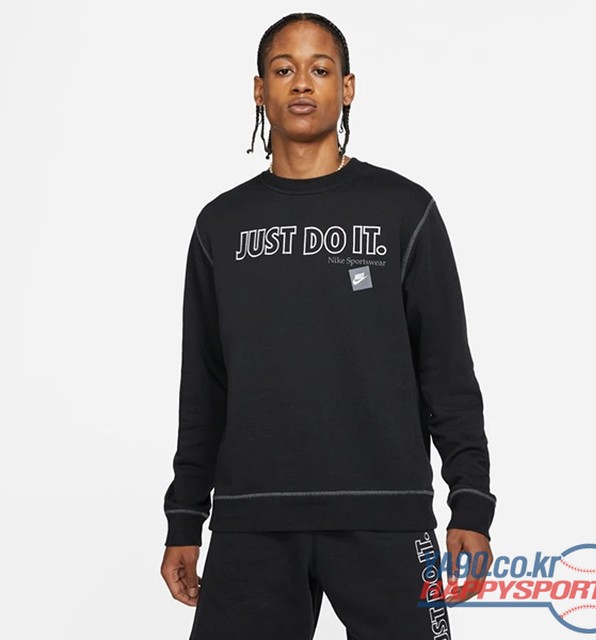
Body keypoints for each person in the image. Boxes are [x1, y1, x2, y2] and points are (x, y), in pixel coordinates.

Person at [160, 11, 496, 640]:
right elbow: (203, 385)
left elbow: (447, 371)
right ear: (259, 89)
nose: (301, 83)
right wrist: (184, 516)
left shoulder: (405, 210)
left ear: (347, 87)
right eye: (283, 69)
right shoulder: (220, 225)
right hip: (253, 520)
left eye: (320, 69)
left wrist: (470, 504)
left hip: (387, 516)